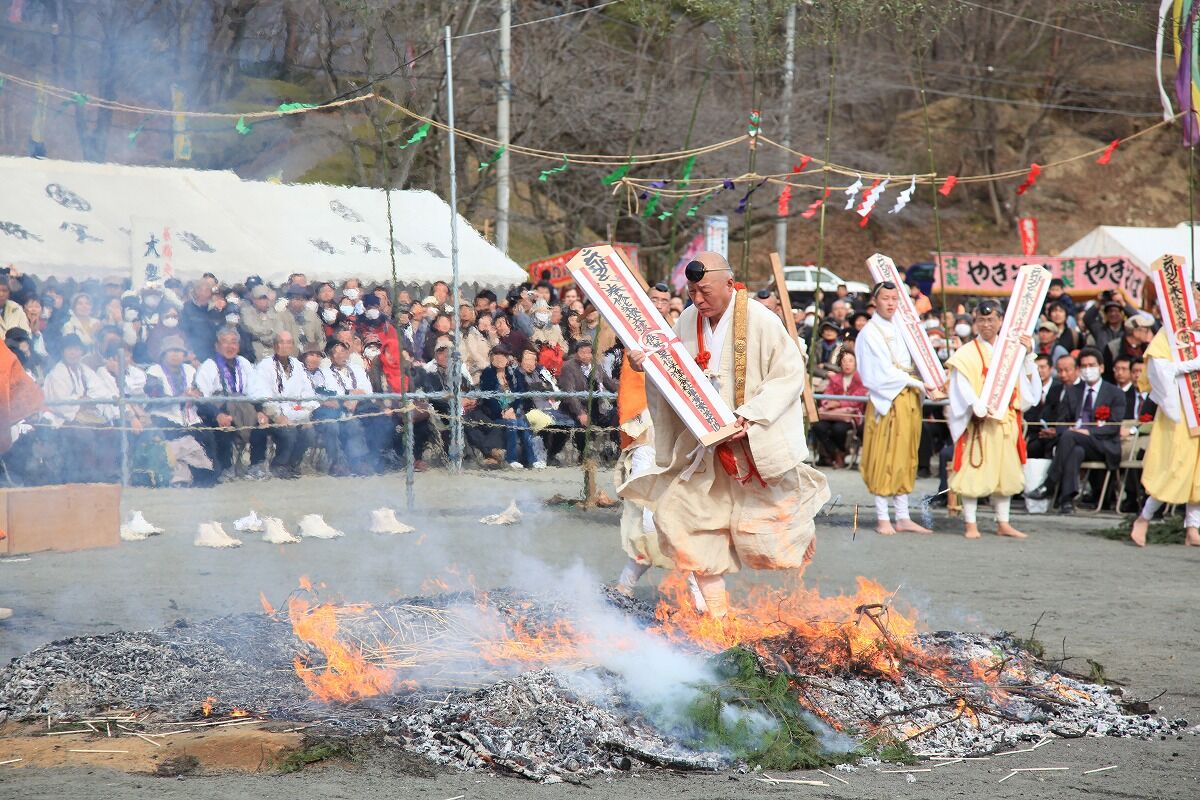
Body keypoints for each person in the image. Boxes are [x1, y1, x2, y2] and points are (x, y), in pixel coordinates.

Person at [622, 252, 830, 620]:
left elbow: (788, 374)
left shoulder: (761, 320)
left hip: (751, 441)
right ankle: (716, 614)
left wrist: (751, 414)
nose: (698, 300)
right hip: (704, 446)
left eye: (704, 291)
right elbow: (670, 371)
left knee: (771, 526)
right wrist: (646, 363)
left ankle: (800, 535)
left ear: (729, 284)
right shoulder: (687, 319)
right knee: (684, 517)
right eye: (691, 292)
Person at [945, 301, 1038, 539]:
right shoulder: (966, 353)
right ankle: (970, 523)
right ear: (975, 322)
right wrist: (975, 405)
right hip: (979, 422)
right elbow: (961, 384)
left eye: (992, 320)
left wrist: (1028, 355)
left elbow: (1027, 387)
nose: (987, 324)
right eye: (982, 320)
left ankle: (1003, 522)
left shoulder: (1011, 350)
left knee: (1004, 473)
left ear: (1000, 321)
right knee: (973, 470)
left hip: (1005, 420)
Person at [855, 281, 939, 534]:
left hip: (909, 397)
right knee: (884, 455)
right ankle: (883, 516)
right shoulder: (869, 333)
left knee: (905, 454)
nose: (891, 303)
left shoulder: (903, 328)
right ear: (875, 301)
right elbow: (877, 373)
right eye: (885, 298)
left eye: (894, 298)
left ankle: (902, 515)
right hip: (887, 399)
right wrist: (918, 383)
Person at [1026, 347, 1126, 514]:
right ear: (1079, 370)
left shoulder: (1114, 393)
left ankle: (1049, 484)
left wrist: (1088, 432)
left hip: (1102, 443)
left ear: (1101, 368)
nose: (1088, 370)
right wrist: (1064, 431)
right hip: (1075, 440)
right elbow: (1061, 422)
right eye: (1084, 366)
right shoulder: (1073, 392)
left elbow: (1113, 426)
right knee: (1075, 450)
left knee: (1070, 437)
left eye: (1091, 365)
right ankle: (1067, 501)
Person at [1131, 316, 1200, 547]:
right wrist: (1192, 364)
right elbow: (1159, 369)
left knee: (1199, 473)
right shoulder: (1172, 329)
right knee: (1176, 466)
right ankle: (1144, 517)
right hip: (1181, 407)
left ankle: (1193, 527)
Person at [194, 327, 270, 481]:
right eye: (225, 342)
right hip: (217, 409)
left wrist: (260, 411)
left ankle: (255, 465)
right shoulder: (209, 366)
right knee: (222, 427)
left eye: (234, 342)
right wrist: (218, 414)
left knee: (261, 424)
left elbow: (255, 389)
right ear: (217, 346)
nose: (230, 346)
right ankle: (226, 467)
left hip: (243, 408)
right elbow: (202, 398)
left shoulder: (243, 363)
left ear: (239, 346)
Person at [253, 330, 315, 479]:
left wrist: (307, 412)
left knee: (310, 433)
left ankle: (291, 464)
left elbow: (308, 391)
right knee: (289, 432)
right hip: (276, 415)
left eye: (289, 342)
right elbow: (263, 395)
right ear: (275, 345)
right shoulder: (265, 366)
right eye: (281, 342)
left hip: (298, 413)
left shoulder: (298, 365)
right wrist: (277, 416)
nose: (285, 346)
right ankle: (279, 465)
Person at [478, 344, 543, 469]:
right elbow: (488, 398)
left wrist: (512, 409)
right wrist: (503, 412)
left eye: (503, 356)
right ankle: (511, 459)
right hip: (495, 413)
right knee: (512, 423)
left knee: (523, 424)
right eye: (496, 356)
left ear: (508, 359)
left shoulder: (513, 373)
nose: (499, 359)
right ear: (491, 358)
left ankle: (532, 459)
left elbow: (519, 394)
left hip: (512, 412)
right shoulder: (487, 374)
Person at [317, 339, 372, 476]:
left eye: (343, 351)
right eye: (336, 352)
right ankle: (338, 463)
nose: (341, 355)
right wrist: (351, 394)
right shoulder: (325, 373)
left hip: (359, 406)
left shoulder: (357, 369)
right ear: (330, 357)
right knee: (341, 425)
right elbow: (332, 393)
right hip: (335, 409)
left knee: (373, 420)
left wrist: (355, 397)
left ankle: (360, 461)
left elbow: (368, 390)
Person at [557, 340, 617, 457]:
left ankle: (614, 450)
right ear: (576, 353)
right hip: (575, 408)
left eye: (589, 353)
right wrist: (580, 413)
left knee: (617, 415)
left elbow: (610, 385)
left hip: (597, 407)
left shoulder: (596, 366)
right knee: (582, 425)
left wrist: (622, 392)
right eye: (582, 352)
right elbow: (570, 394)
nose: (586, 355)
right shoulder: (568, 367)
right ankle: (583, 453)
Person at [810, 349, 867, 468]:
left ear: (856, 363)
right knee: (818, 426)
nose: (847, 364)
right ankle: (836, 453)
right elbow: (827, 394)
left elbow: (858, 398)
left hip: (850, 415)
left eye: (850, 361)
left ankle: (837, 453)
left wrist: (839, 403)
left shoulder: (861, 380)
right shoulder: (835, 378)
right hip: (831, 413)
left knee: (838, 429)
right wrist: (828, 403)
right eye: (844, 361)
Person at [280, 284, 326, 355]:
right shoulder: (281, 317)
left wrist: (316, 349)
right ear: (289, 299)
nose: (300, 302)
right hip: (290, 356)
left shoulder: (312, 316)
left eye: (303, 299)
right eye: (297, 299)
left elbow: (321, 339)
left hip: (311, 355)